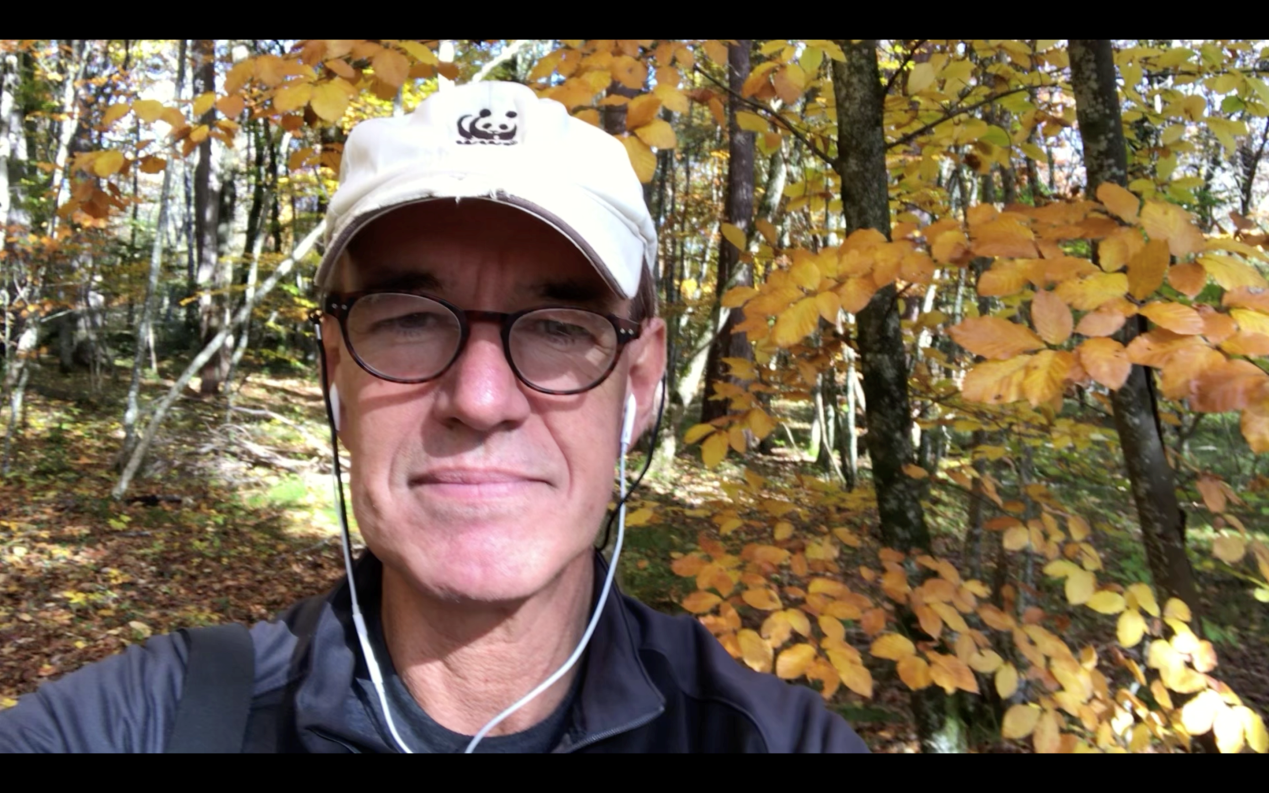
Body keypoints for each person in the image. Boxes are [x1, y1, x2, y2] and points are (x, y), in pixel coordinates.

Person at [0, 81, 868, 753]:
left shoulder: (767, 738)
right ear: (335, 374)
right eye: (411, 320)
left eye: (561, 328)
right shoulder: (161, 720)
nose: (481, 400)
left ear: (638, 384)